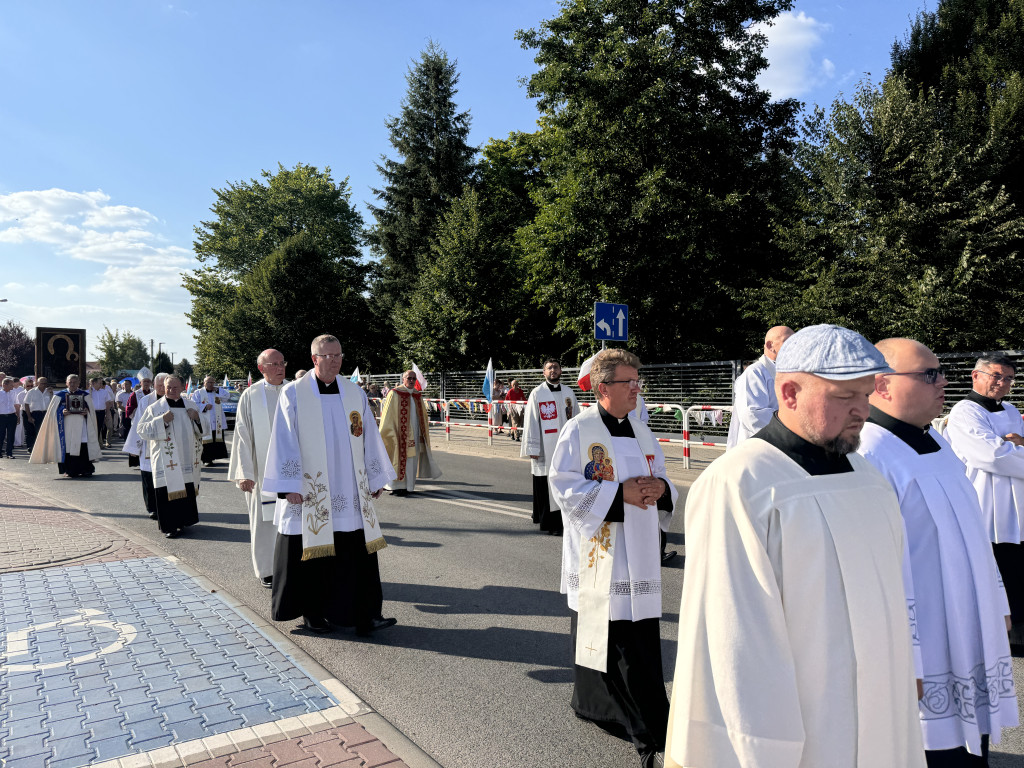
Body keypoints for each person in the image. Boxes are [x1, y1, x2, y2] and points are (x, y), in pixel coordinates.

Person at [666, 324, 925, 768]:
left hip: (880, 714)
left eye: (867, 395)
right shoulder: (742, 484)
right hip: (804, 729)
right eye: (846, 397)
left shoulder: (869, 479)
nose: (863, 410)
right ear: (788, 392)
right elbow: (735, 644)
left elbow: (896, 598)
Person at [858, 338, 1017, 765]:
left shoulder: (935, 439)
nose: (943, 382)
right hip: (925, 639)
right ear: (882, 385)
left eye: (941, 372)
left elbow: (971, 529)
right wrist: (903, 657)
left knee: (973, 743)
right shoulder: (867, 453)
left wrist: (997, 597)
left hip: (968, 622)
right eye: (929, 375)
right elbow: (873, 570)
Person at [549, 348, 677, 768]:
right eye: (630, 383)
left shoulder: (642, 431)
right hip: (602, 553)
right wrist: (618, 493)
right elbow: (563, 486)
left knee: (637, 638)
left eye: (639, 382)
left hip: (638, 551)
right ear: (604, 388)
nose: (637, 389)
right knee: (613, 637)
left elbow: (664, 479)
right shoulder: (579, 430)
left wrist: (661, 488)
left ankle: (623, 710)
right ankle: (637, 724)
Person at [262, 334, 397, 636]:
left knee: (357, 555)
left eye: (338, 355)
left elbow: (369, 436)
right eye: (328, 356)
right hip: (312, 492)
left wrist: (375, 479)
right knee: (313, 554)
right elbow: (283, 441)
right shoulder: (294, 394)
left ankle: (367, 614)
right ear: (314, 359)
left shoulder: (353, 393)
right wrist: (289, 485)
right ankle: (314, 615)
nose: (335, 361)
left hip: (349, 490)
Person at [945, 355, 1024, 648]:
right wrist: (1010, 445)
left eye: (1008, 378)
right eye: (996, 376)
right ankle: (1002, 637)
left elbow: (1013, 447)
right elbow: (992, 456)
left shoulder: (1012, 410)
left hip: (1018, 501)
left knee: (1018, 570)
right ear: (976, 375)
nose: (1002, 383)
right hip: (986, 501)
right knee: (997, 569)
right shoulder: (965, 412)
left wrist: (1014, 445)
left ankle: (1019, 630)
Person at [228, 349, 288, 588]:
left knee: (290, 521)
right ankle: (267, 569)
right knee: (264, 521)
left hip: (290, 469)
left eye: (282, 362)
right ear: (261, 368)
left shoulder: (294, 391)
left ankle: (290, 567)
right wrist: (245, 473)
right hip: (261, 470)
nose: (280, 367)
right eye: (274, 363)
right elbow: (242, 435)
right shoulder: (251, 395)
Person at [136, 374, 203, 539]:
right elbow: (141, 430)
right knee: (167, 491)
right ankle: (170, 526)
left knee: (185, 489)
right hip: (167, 460)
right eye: (168, 387)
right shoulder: (155, 408)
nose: (172, 390)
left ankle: (184, 521)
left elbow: (204, 430)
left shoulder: (190, 405)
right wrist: (161, 421)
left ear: (182, 387)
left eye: (175, 387)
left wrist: (197, 418)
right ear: (163, 388)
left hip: (186, 457)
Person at [523, 358, 580, 534]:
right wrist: (533, 447)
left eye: (556, 367)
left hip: (565, 446)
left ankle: (563, 519)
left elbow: (577, 419)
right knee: (544, 483)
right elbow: (531, 421)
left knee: (564, 481)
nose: (553, 370)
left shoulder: (569, 393)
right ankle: (546, 520)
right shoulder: (537, 394)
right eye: (549, 368)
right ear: (544, 373)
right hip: (545, 445)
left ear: (561, 371)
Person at [725, 325, 794, 449]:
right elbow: (752, 415)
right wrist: (794, 421)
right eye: (788, 341)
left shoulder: (790, 372)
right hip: (758, 449)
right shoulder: (755, 373)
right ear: (770, 346)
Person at [379, 369, 441, 496]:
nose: (412, 381)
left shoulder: (417, 395)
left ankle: (408, 487)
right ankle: (395, 486)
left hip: (414, 434)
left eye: (414, 378)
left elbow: (422, 415)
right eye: (409, 378)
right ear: (403, 379)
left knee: (411, 461)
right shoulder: (395, 393)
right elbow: (388, 416)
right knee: (397, 458)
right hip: (398, 435)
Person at [30, 374, 101, 478]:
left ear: (78, 383)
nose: (72, 384)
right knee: (67, 448)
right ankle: (69, 470)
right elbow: (52, 413)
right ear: (66, 383)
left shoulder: (85, 395)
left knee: (82, 447)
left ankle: (85, 469)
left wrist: (87, 412)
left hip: (81, 426)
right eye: (70, 382)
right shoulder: (59, 395)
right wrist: (61, 412)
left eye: (74, 382)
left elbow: (91, 412)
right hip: (65, 427)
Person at [125, 373, 167, 518]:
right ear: (154, 385)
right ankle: (152, 508)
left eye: (164, 385)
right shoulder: (145, 401)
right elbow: (138, 424)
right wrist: (134, 448)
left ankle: (164, 506)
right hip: (148, 445)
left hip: (167, 445)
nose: (162, 388)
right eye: (159, 385)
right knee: (149, 478)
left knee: (166, 477)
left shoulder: (173, 399)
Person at [191, 374, 230, 466]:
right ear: (204, 383)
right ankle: (206, 459)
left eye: (213, 382)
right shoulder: (198, 393)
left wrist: (218, 390)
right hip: (205, 420)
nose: (211, 384)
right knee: (206, 441)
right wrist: (204, 406)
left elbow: (227, 396)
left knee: (215, 441)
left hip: (217, 421)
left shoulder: (217, 392)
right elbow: (193, 404)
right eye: (209, 382)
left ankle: (213, 457)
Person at [123, 370, 153, 468]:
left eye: (148, 381)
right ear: (140, 383)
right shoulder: (135, 394)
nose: (147, 383)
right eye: (145, 381)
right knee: (139, 442)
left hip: (152, 423)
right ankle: (137, 461)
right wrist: (137, 412)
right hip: (139, 422)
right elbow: (129, 409)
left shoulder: (154, 393)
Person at [23, 377, 50, 452]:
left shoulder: (49, 391)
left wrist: (51, 394)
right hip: (36, 413)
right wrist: (29, 416)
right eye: (41, 383)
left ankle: (44, 448)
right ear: (37, 383)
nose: (43, 385)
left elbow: (53, 402)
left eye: (45, 383)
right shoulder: (32, 392)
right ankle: (35, 448)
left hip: (46, 413)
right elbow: (26, 404)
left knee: (47, 431)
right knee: (37, 431)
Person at [88, 376, 113, 448]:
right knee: (92, 429)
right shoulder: (89, 392)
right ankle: (92, 445)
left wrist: (107, 413)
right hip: (92, 413)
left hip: (101, 412)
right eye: (99, 383)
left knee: (98, 428)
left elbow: (107, 402)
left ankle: (96, 446)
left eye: (101, 383)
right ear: (94, 383)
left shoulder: (104, 392)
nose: (101, 385)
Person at [0, 378, 17, 458]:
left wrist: (18, 416)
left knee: (11, 435)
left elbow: (16, 404)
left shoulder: (13, 393)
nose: (12, 387)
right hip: (1, 417)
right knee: (1, 435)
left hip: (12, 416)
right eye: (11, 385)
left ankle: (9, 453)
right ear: (4, 385)